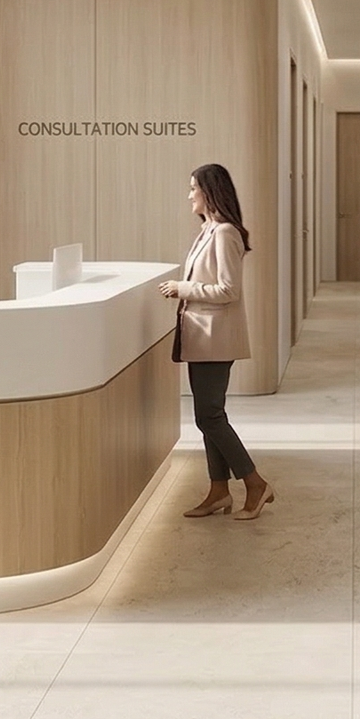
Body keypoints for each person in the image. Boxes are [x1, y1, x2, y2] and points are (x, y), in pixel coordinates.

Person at [158, 163, 276, 520]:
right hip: (201, 337)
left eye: (193, 188)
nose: (189, 195)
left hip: (215, 338)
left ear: (209, 192)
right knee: (208, 415)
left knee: (209, 416)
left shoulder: (225, 233)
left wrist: (183, 288)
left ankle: (255, 483)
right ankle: (219, 491)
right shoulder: (208, 230)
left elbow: (228, 290)